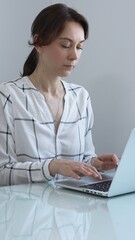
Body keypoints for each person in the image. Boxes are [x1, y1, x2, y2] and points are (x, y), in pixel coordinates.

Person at [0, 3, 119, 186]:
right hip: (24, 211)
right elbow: (2, 172)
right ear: (39, 43)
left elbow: (82, 158)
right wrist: (51, 167)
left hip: (74, 210)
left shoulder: (81, 97)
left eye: (79, 47)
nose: (74, 56)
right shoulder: (8, 97)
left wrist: (95, 164)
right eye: (65, 45)